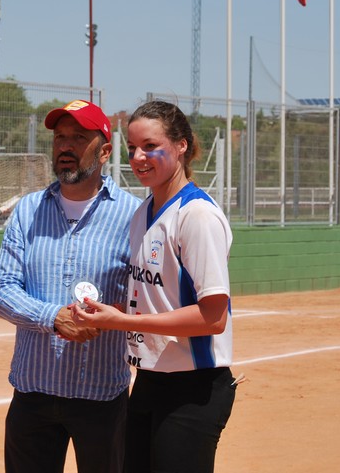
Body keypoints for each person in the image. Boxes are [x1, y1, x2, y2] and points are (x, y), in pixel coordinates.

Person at [71, 100, 236, 473]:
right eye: (132, 148)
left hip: (194, 388)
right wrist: (105, 312)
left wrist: (123, 322)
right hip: (150, 379)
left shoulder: (197, 216)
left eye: (150, 146)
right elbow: (155, 296)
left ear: (181, 145)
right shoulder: (143, 212)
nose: (138, 158)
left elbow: (213, 318)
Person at [0, 99, 141, 473]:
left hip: (101, 395)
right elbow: (1, 291)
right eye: (60, 138)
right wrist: (54, 317)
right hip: (33, 393)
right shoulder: (28, 210)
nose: (65, 147)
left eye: (78, 138)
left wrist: (115, 315)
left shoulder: (134, 215)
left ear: (104, 151)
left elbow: (146, 299)